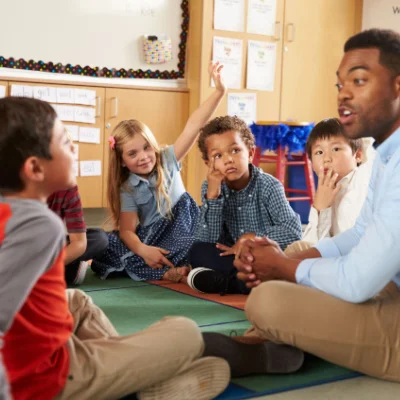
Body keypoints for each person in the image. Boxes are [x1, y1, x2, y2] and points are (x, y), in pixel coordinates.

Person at [0, 97, 230, 400]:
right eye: (64, 142)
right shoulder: (39, 224)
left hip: (38, 346)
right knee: (186, 332)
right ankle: (130, 388)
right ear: (34, 168)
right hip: (49, 377)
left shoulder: (14, 211)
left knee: (77, 300)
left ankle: (125, 378)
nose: (74, 148)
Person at [204, 28, 400, 382]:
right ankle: (271, 347)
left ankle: (266, 346)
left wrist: (281, 266)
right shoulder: (384, 157)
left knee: (268, 301)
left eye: (359, 81)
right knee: (281, 279)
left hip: (385, 297)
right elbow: (358, 235)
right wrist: (287, 261)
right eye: (340, 85)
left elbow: (357, 280)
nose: (345, 96)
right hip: (386, 286)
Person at [91, 62, 226, 283]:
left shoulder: (167, 160)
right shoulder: (127, 188)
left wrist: (220, 91)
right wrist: (144, 250)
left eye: (146, 148)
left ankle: (177, 269)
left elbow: (194, 125)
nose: (143, 157)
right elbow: (127, 231)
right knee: (109, 248)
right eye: (132, 154)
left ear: (153, 146)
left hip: (184, 227)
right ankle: (170, 272)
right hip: (153, 237)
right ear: (122, 161)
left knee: (195, 245)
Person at [186, 115, 302, 295]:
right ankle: (251, 283)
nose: (228, 159)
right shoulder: (210, 188)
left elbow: (292, 231)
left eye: (235, 150)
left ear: (250, 153)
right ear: (209, 164)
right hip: (232, 258)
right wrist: (213, 197)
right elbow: (207, 239)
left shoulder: (269, 186)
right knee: (197, 251)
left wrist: (252, 239)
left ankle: (230, 284)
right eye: (218, 155)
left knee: (277, 257)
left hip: (260, 256)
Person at [285, 118, 373, 253]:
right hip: (335, 259)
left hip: (364, 255)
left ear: (358, 155)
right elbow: (314, 244)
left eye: (336, 149)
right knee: (295, 250)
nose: (326, 158)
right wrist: (320, 208)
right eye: (319, 152)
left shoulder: (364, 177)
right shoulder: (323, 192)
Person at [47, 184, 109, 285]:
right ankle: (68, 270)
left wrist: (47, 268)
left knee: (99, 239)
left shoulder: (67, 189)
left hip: (53, 248)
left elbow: (79, 241)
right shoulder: (16, 188)